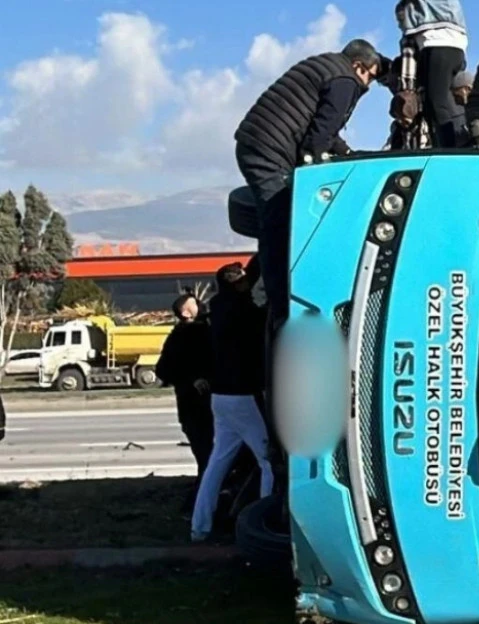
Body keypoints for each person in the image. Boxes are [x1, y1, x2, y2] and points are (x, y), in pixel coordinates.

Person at [233, 39, 383, 329]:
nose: (368, 87)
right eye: (370, 77)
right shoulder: (346, 80)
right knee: (279, 226)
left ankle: (277, 301)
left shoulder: (327, 67)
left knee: (278, 222)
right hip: (269, 151)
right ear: (358, 66)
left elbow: (322, 130)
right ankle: (281, 309)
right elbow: (318, 138)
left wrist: (347, 154)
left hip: (257, 143)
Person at [190, 263, 273, 543]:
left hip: (220, 395)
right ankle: (267, 522)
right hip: (243, 395)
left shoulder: (218, 309)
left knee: (217, 463)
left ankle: (199, 526)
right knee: (268, 462)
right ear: (236, 283)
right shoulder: (246, 311)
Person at [156, 293, 215, 509]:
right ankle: (199, 505)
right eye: (194, 303)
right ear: (185, 312)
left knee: (210, 458)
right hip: (195, 408)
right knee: (207, 459)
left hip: (206, 407)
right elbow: (163, 369)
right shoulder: (183, 336)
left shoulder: (203, 330)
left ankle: (202, 503)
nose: (200, 304)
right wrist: (192, 381)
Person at [395, 0, 468, 147]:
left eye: (400, 20)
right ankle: (441, 144)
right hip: (455, 46)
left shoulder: (413, 23)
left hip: (436, 44)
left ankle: (448, 148)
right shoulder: (448, 6)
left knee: (436, 103)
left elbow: (408, 54)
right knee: (431, 103)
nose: (400, 25)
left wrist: (407, 89)